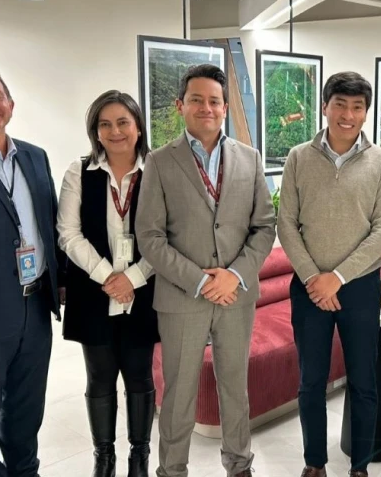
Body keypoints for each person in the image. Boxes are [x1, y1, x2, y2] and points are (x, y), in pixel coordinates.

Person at [136, 64, 276, 477]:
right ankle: (172, 469)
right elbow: (150, 237)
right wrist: (199, 280)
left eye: (214, 101)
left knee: (235, 386)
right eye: (196, 100)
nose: (206, 108)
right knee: (179, 393)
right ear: (180, 105)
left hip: (236, 295)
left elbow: (264, 226)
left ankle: (239, 464)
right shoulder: (159, 162)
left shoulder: (249, 159)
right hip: (182, 297)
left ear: (225, 107)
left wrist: (235, 275)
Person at [277, 71, 381, 477]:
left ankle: (359, 467)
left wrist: (338, 277)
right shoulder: (299, 157)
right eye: (340, 105)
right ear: (325, 107)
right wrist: (314, 278)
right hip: (308, 287)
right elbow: (286, 223)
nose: (348, 115)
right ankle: (315, 464)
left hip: (360, 287)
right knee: (311, 382)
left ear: (366, 113)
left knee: (364, 382)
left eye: (357, 107)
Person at [57, 90, 159, 477]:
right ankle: (104, 457)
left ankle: (139, 457)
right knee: (99, 377)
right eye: (105, 124)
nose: (115, 131)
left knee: (139, 376)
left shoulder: (159, 171)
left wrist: (133, 277)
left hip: (144, 291)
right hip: (93, 292)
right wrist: (108, 277)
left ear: (138, 127)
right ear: (95, 131)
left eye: (122, 122)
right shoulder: (79, 171)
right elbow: (68, 233)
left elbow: (170, 235)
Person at [0, 65, 65, 477]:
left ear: (10, 105)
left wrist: (60, 281)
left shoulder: (34, 156)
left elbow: (50, 223)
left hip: (35, 308)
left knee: (26, 411)